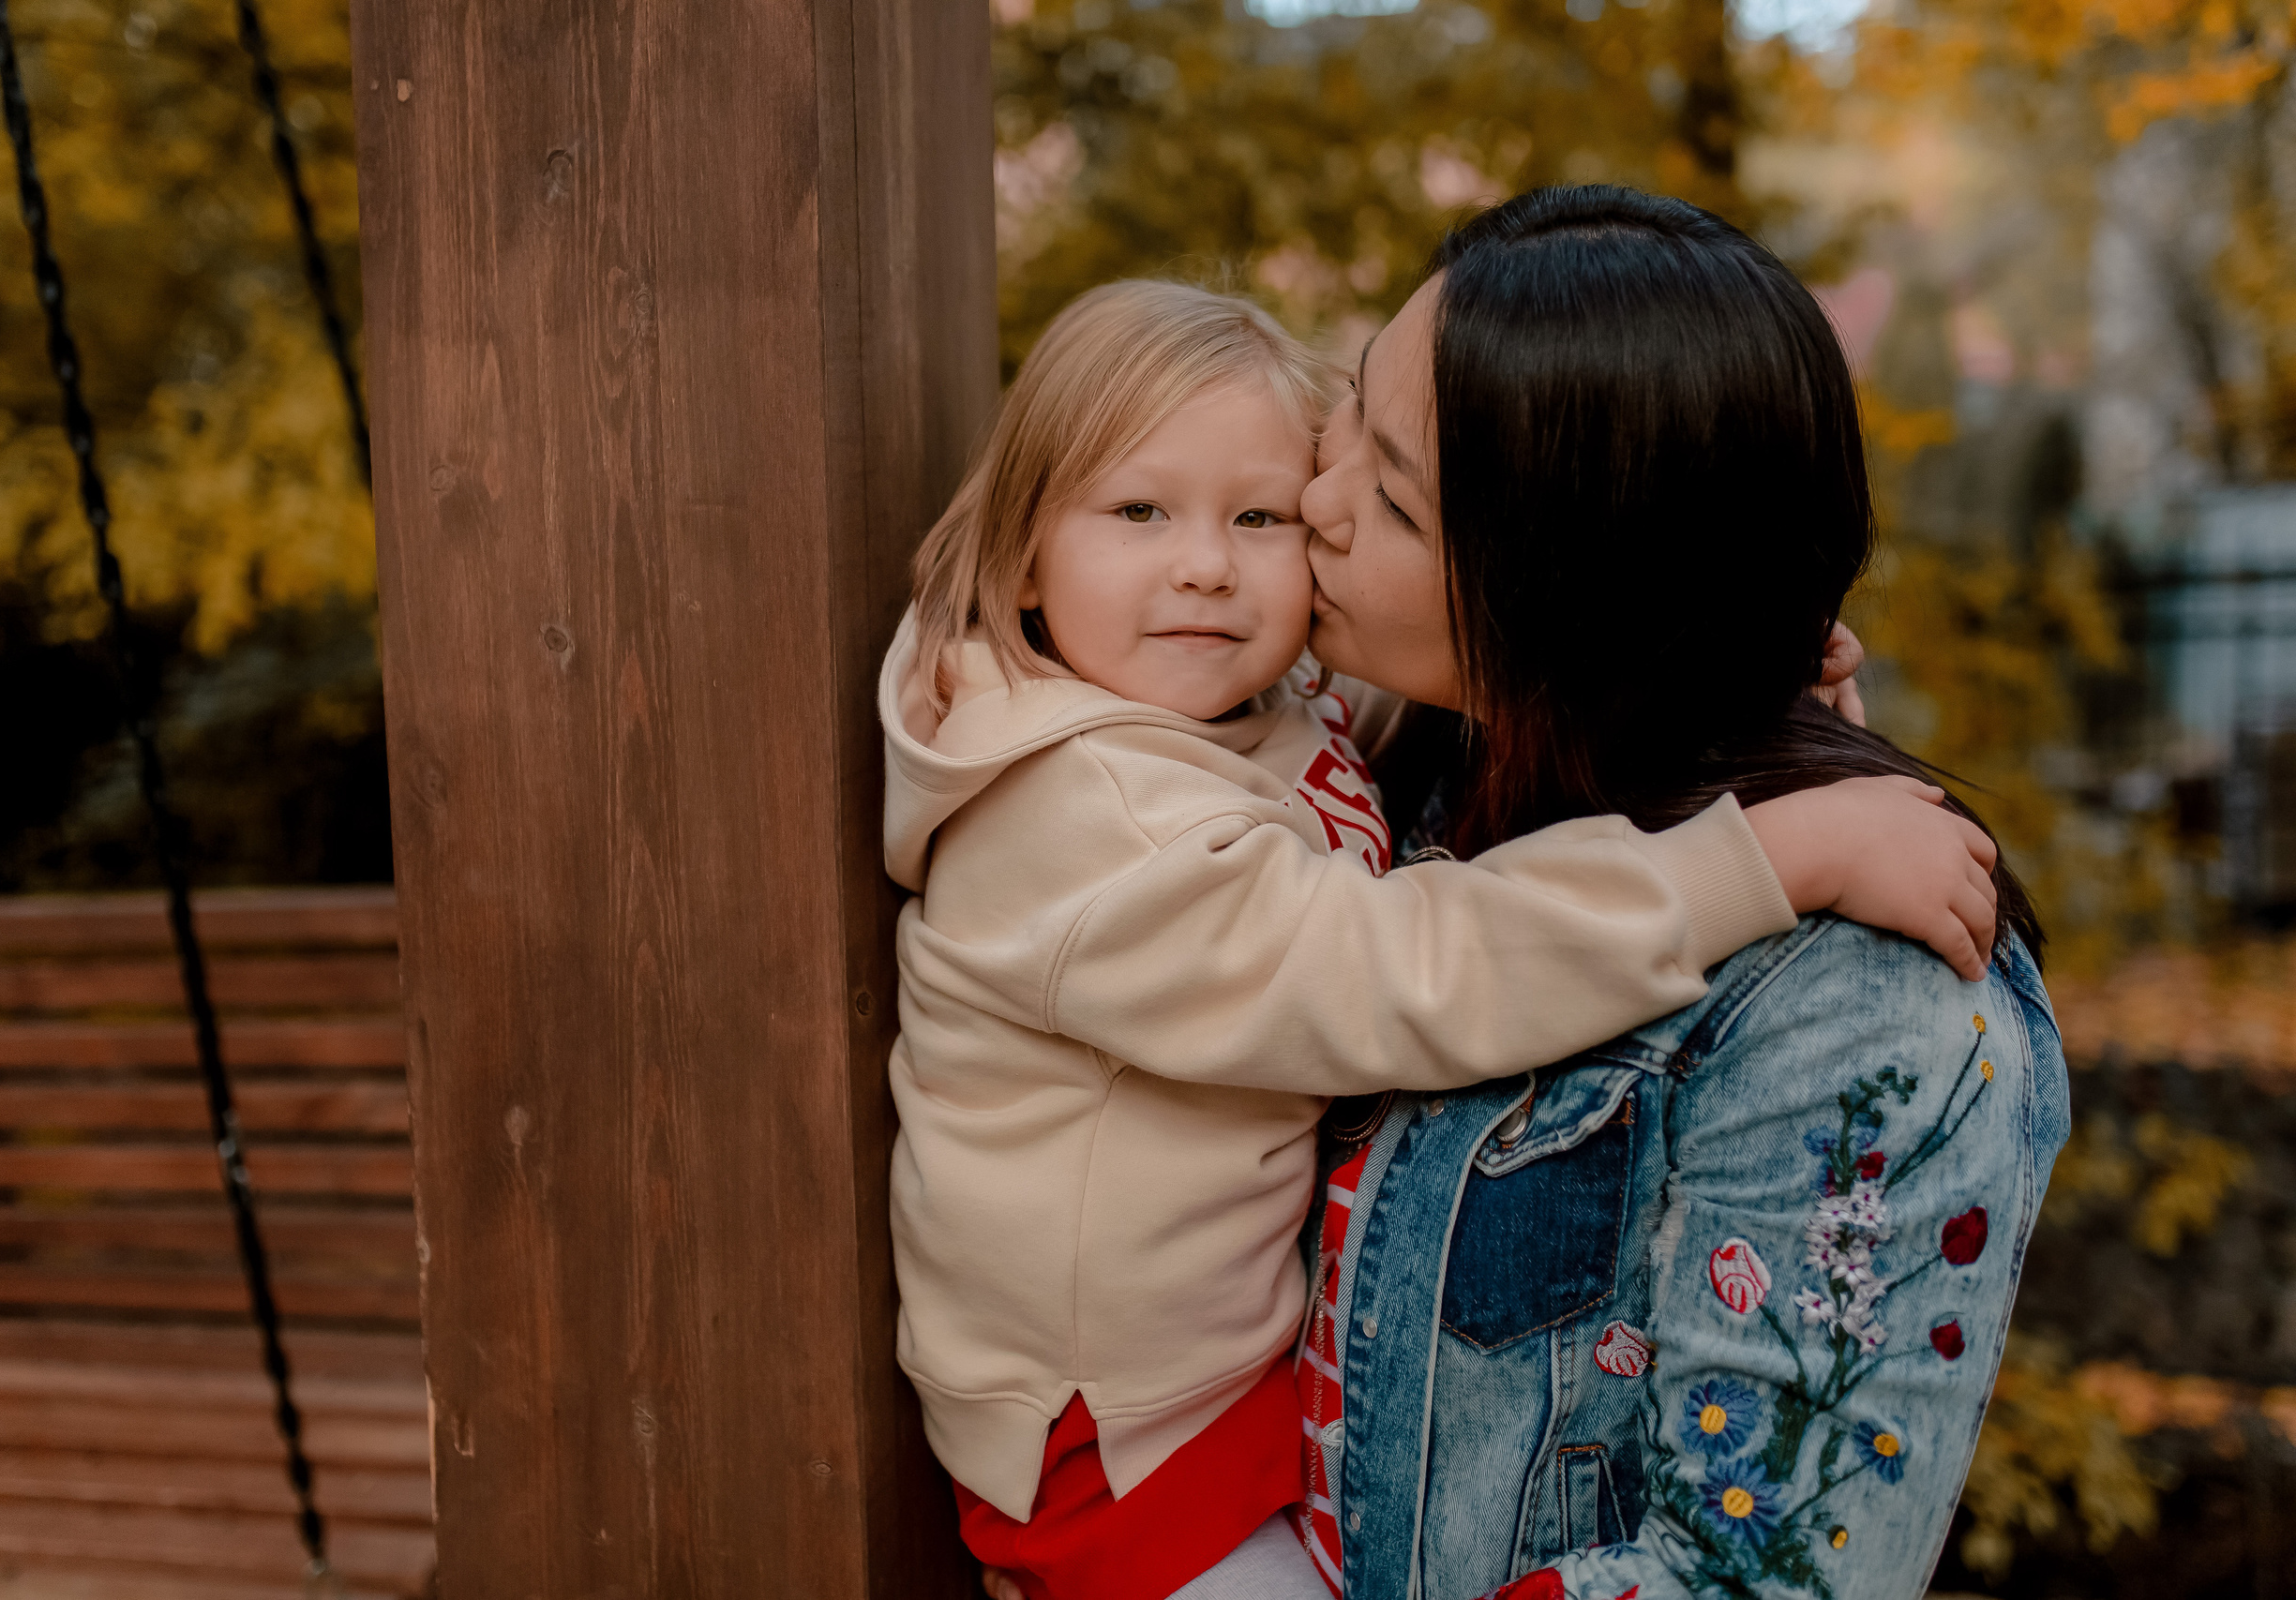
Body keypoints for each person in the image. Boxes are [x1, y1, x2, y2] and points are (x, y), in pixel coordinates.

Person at [880, 277, 2002, 1600]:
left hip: (1215, 1386)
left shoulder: (1212, 705)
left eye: (1261, 515)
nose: (1206, 563)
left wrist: (1697, 660)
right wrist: (1768, 855)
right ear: (1020, 557)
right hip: (1119, 1448)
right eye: (1139, 512)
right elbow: (1405, 965)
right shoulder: (1088, 817)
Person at [1297, 187, 2069, 1600]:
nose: (1316, 500)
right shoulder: (1397, 773)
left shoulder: (1866, 1012)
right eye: (1347, 413)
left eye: (1396, 501)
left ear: (1577, 606)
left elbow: (1749, 1580)